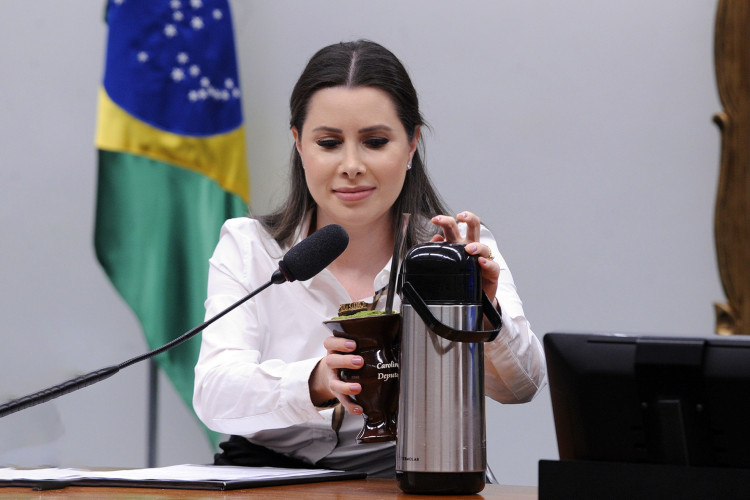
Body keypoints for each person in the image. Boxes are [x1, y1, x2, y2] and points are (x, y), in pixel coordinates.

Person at [193, 39, 546, 477]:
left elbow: (521, 388)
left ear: (412, 143)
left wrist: (482, 313)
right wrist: (316, 380)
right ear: (299, 144)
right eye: (329, 143)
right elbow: (214, 393)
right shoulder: (250, 245)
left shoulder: (455, 252)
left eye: (375, 142)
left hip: (414, 473)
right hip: (269, 476)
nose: (352, 165)